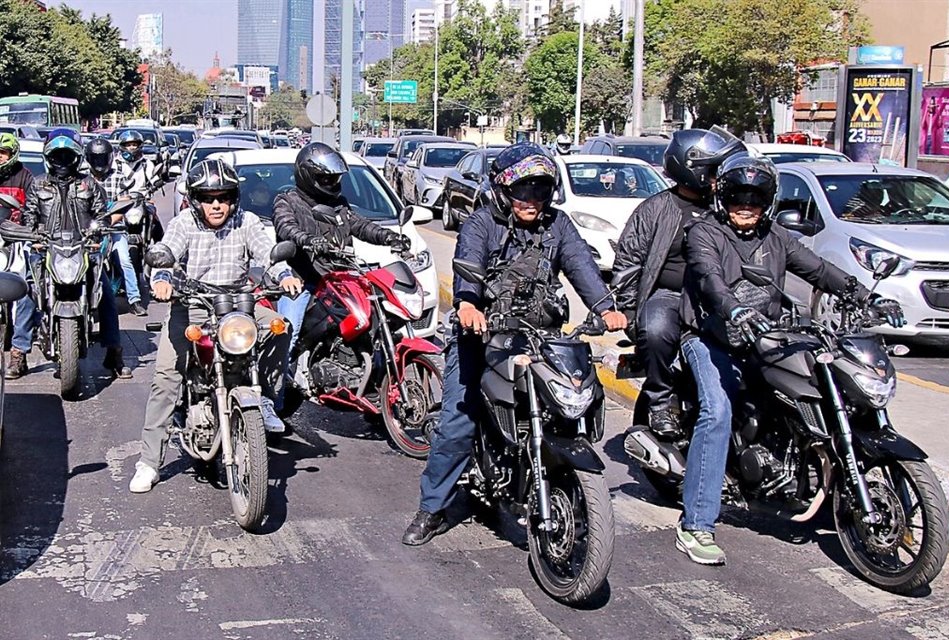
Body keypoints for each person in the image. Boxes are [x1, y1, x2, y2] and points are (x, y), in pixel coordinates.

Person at [674, 155, 905, 566]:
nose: (747, 205)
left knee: (819, 386)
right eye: (739, 196)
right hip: (711, 337)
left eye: (756, 197)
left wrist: (865, 296)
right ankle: (696, 524)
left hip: (768, 336)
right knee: (717, 413)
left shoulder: (777, 237)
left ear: (768, 202)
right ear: (723, 197)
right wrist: (734, 310)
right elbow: (709, 280)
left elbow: (818, 269)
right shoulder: (704, 233)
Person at [402, 143, 628, 546]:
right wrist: (469, 303)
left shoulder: (557, 225)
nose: (532, 200)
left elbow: (581, 265)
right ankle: (432, 507)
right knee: (458, 421)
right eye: (523, 191)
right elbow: (467, 264)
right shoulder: (480, 223)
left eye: (540, 191)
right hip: (483, 335)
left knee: (573, 396)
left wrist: (606, 306)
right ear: (504, 190)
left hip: (541, 335)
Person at [129, 158, 302, 493]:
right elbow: (167, 251)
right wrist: (162, 279)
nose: (217, 204)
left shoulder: (246, 221)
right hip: (192, 308)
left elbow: (269, 254)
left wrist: (284, 275)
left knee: (280, 325)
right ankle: (149, 463)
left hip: (237, 307)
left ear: (234, 197)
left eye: (223, 197)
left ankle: (264, 396)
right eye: (209, 198)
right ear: (196, 200)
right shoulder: (184, 224)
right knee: (166, 379)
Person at [613, 128, 745, 439]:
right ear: (694, 169)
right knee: (656, 328)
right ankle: (660, 400)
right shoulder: (655, 209)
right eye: (714, 170)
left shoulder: (727, 208)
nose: (720, 177)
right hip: (669, 295)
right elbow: (627, 264)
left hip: (721, 297)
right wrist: (630, 312)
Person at [271, 142, 410, 410]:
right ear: (308, 176)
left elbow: (361, 225)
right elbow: (285, 227)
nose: (332, 182)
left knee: (378, 319)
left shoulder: (339, 204)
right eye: (326, 178)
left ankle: (370, 383)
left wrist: (389, 237)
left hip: (339, 279)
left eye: (334, 178)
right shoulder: (287, 200)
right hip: (303, 280)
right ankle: (271, 407)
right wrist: (308, 241)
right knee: (286, 334)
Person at [19, 128, 131, 380]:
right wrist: (32, 234)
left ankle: (114, 351)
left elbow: (101, 213)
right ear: (49, 158)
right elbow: (29, 216)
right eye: (57, 156)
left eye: (67, 155)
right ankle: (19, 351)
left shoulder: (88, 184)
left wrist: (100, 229)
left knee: (106, 294)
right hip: (47, 249)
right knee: (26, 292)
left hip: (83, 250)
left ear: (77, 157)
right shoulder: (38, 184)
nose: (62, 161)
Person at [85, 137, 147, 317]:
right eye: (95, 159)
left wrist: (108, 222)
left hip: (113, 229)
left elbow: (124, 204)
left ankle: (134, 300)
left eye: (102, 158)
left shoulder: (119, 177)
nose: (99, 162)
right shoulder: (82, 178)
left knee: (124, 260)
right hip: (87, 231)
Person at [0, 133, 35, 380]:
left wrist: (32, 231)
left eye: (2, 153)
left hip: (18, 241)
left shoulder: (26, 177)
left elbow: (34, 210)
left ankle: (18, 352)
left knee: (27, 291)